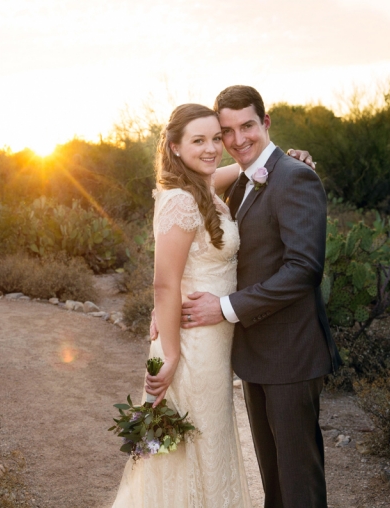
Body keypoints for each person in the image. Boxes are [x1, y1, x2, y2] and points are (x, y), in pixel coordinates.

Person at [112, 102, 314, 507]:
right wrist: (169, 355)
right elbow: (165, 283)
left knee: (210, 445)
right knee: (197, 448)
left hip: (216, 342)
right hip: (192, 345)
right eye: (198, 140)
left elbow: (254, 168)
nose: (212, 148)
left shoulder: (203, 185)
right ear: (173, 147)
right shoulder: (181, 201)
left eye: (215, 138)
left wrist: (294, 158)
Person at [169, 86, 342, 508]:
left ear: (265, 123)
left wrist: (224, 309)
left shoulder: (294, 176)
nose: (238, 139)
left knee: (298, 482)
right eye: (226, 131)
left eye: (247, 126)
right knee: (275, 483)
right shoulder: (244, 181)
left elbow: (304, 270)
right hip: (255, 352)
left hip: (291, 353)